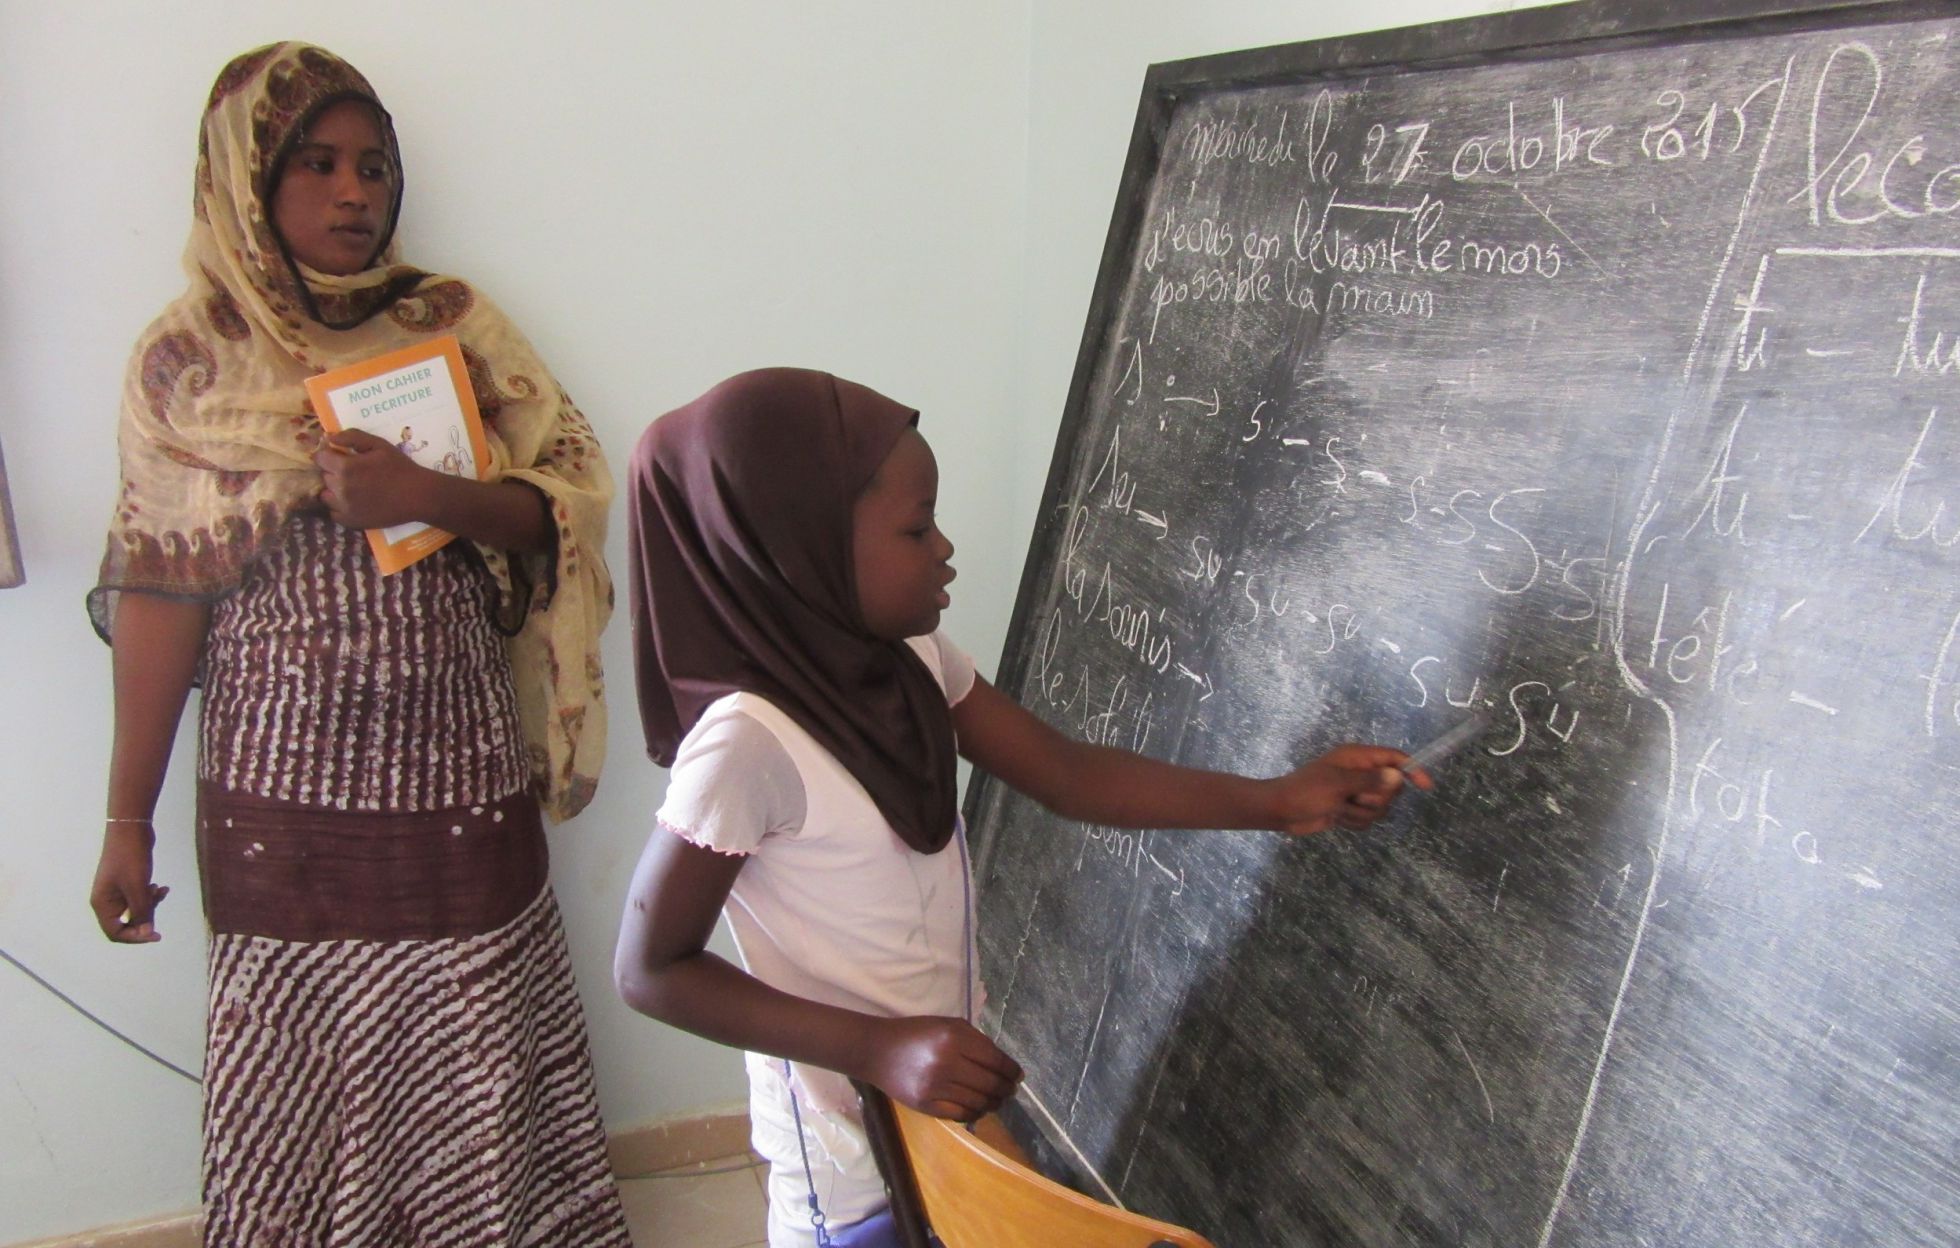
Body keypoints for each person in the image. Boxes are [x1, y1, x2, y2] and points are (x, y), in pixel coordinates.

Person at [613, 368, 1430, 1247]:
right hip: (850, 1166)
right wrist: (875, 1049)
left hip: (941, 1110)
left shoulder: (912, 657)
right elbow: (651, 970)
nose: (944, 550)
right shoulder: (746, 745)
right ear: (798, 550)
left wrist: (1281, 802)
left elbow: (1069, 773)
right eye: (915, 528)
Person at [86, 43, 628, 1245]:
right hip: (281, 800)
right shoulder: (184, 370)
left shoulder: (450, 327)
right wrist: (125, 822)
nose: (355, 194)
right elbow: (160, 602)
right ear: (244, 178)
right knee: (300, 1061)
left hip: (459, 778)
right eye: (317, 165)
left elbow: (562, 507)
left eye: (374, 167)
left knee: (474, 1039)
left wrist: (422, 493)